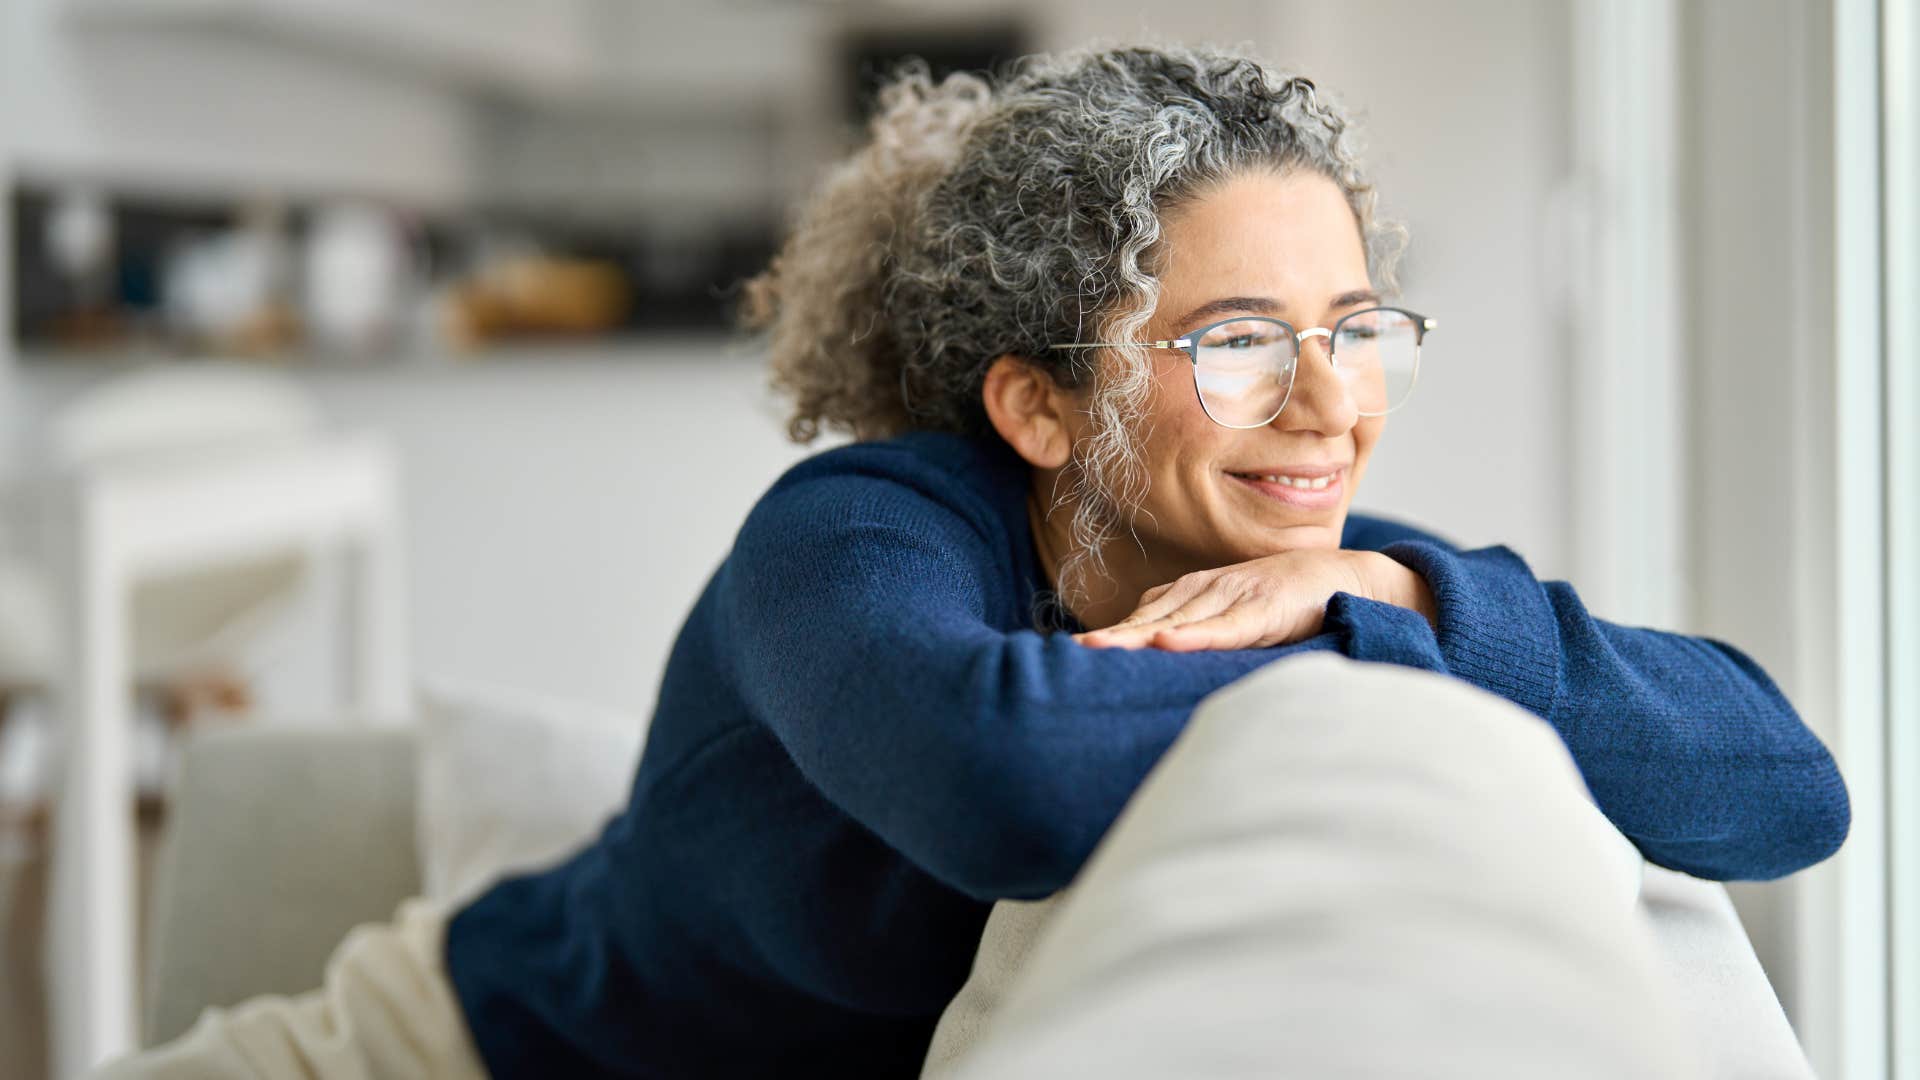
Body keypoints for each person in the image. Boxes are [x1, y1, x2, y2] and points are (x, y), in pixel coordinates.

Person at [105, 42, 1849, 1080]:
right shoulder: (854, 538)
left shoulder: (1325, 565)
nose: (1334, 402)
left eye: (1359, 324)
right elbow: (999, 777)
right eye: (1239, 339)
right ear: (1033, 403)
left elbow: (1784, 785)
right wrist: (1359, 648)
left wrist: (1391, 606)